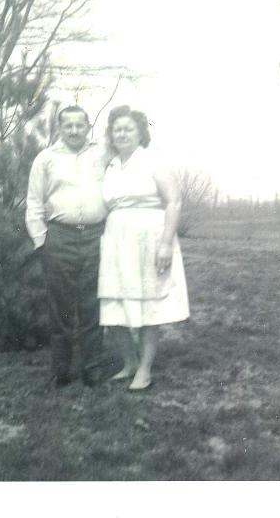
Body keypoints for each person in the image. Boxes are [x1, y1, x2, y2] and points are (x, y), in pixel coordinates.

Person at [26, 105, 122, 387]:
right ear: (59, 128)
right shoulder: (45, 159)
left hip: (96, 235)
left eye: (79, 125)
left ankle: (92, 367)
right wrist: (41, 242)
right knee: (62, 306)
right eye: (68, 125)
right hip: (59, 237)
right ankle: (61, 369)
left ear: (88, 126)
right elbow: (34, 202)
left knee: (93, 302)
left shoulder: (102, 153)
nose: (74, 130)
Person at [98, 105, 189, 390]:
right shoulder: (111, 165)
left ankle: (145, 370)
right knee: (113, 304)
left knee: (150, 304)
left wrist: (166, 243)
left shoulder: (153, 161)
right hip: (115, 239)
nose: (122, 134)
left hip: (150, 237)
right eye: (117, 129)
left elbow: (174, 201)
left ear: (140, 133)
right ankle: (129, 363)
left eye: (128, 129)